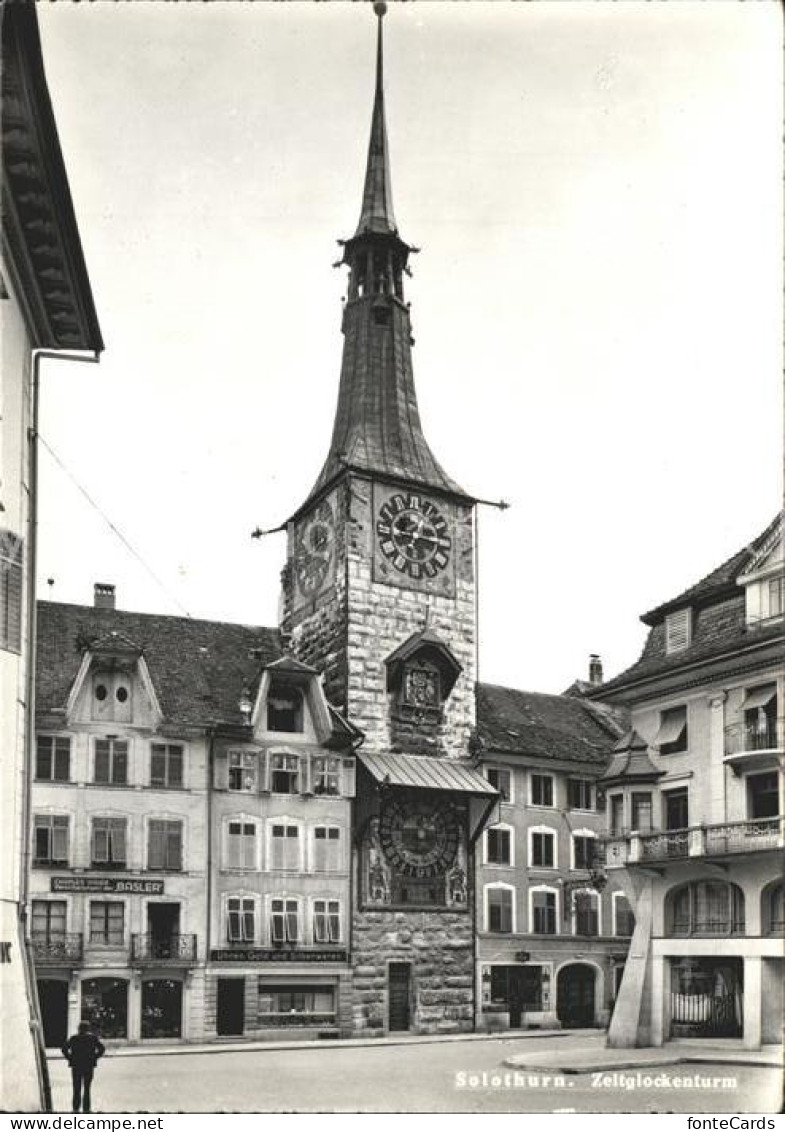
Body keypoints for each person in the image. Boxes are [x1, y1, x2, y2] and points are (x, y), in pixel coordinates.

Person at [61, 1021, 105, 1113]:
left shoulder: (74, 1038)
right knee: (87, 1088)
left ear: (79, 1028)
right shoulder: (93, 1038)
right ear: (88, 1029)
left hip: (76, 1066)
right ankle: (86, 1109)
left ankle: (75, 1109)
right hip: (88, 1066)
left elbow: (64, 1049)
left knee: (76, 1088)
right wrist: (95, 1057)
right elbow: (102, 1049)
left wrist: (70, 1058)